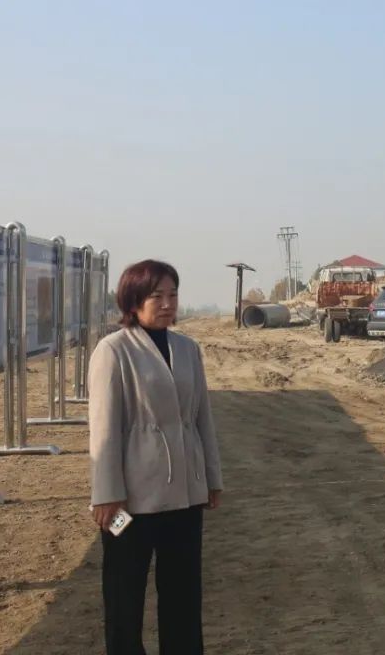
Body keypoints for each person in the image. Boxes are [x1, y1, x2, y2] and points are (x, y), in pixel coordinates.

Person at [89, 259, 223, 655]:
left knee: (183, 594)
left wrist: (211, 478)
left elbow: (202, 419)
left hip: (184, 495)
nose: (167, 304)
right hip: (128, 500)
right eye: (156, 296)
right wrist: (106, 493)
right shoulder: (113, 350)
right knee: (123, 594)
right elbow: (104, 429)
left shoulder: (187, 349)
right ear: (133, 301)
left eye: (173, 295)